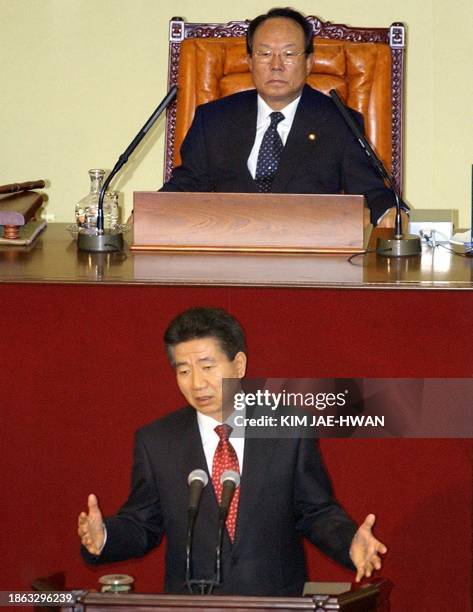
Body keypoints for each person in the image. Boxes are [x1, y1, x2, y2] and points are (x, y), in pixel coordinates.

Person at [78, 307, 387, 596]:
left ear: (238, 365)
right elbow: (142, 523)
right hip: (193, 603)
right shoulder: (157, 441)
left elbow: (316, 511)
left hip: (273, 602)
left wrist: (349, 543)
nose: (197, 383)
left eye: (208, 367)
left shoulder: (287, 430)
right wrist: (104, 536)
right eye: (184, 371)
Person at [160, 7, 403, 226]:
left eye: (289, 54)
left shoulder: (339, 122)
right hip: (230, 249)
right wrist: (152, 210)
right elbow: (187, 184)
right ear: (249, 61)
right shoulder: (213, 119)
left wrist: (392, 212)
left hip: (310, 255)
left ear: (308, 62)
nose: (276, 65)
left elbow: (371, 191)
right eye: (264, 54)